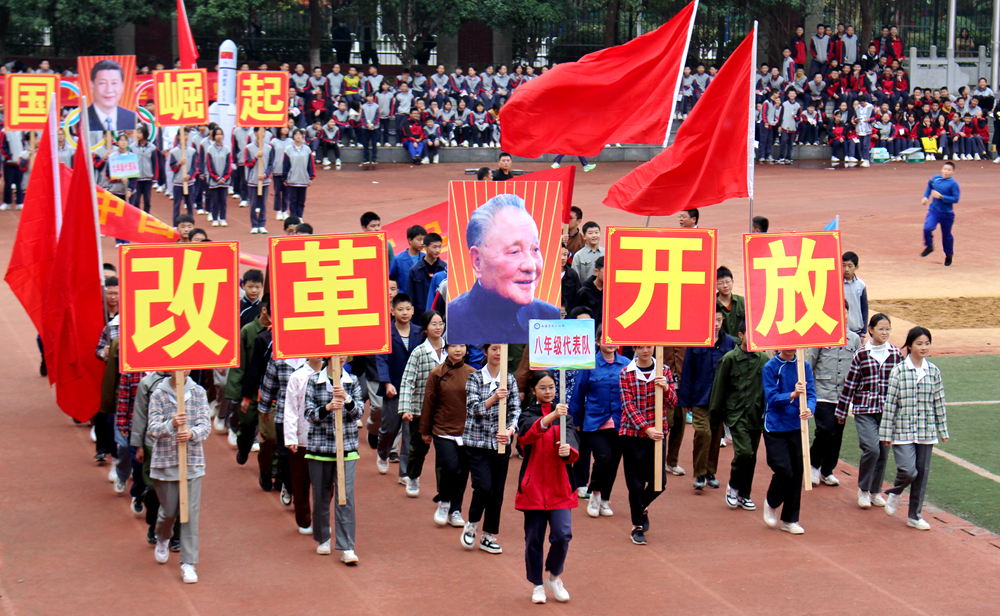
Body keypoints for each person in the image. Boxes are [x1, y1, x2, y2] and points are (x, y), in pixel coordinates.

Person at [446, 194, 560, 345]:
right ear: (477, 261)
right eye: (514, 251)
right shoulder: (451, 320)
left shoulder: (552, 319)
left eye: (535, 249)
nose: (530, 266)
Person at [516, 371, 579, 604]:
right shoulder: (528, 415)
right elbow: (526, 437)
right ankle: (537, 585)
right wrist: (552, 416)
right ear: (533, 390)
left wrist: (569, 452)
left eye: (551, 387)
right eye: (542, 387)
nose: (548, 391)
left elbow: (572, 441)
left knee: (563, 534)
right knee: (533, 539)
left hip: (560, 487)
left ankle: (554, 575)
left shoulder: (566, 418)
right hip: (533, 488)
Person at [879, 326, 948, 530]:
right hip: (903, 429)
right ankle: (896, 491)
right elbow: (890, 404)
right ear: (909, 345)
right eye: (919, 343)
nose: (923, 347)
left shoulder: (933, 371)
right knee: (909, 470)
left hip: (926, 430)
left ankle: (914, 516)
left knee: (922, 473)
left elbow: (939, 402)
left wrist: (942, 430)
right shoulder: (898, 371)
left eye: (927, 343)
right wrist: (886, 433)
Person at [147, 369, 211, 584]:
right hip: (165, 464)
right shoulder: (158, 393)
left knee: (190, 514)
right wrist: (170, 425)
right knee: (170, 511)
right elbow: (153, 429)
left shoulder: (199, 392)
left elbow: (205, 425)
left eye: (186, 367)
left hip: (192, 462)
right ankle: (163, 537)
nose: (182, 371)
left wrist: (192, 433)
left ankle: (188, 563)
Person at [836, 313, 903, 509]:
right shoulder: (862, 354)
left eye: (888, 329)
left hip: (887, 411)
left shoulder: (896, 354)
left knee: (883, 451)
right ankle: (863, 489)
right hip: (865, 408)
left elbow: (901, 383)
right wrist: (841, 411)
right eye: (881, 329)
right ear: (871, 330)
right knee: (871, 449)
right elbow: (851, 383)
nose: (885, 332)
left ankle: (875, 491)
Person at [461, 343, 521, 553]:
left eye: (501, 350)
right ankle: (472, 525)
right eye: (494, 349)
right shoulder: (475, 378)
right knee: (483, 486)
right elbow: (473, 408)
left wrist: (510, 430)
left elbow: (515, 410)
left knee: (497, 491)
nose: (498, 353)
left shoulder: (509, 379)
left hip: (501, 443)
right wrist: (494, 397)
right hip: (477, 442)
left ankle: (489, 535)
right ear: (485, 352)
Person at [304, 356, 363, 564]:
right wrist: (327, 407)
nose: (341, 355)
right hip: (320, 448)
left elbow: (358, 413)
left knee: (345, 497)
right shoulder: (313, 381)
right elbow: (309, 414)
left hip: (346, 448)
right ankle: (323, 537)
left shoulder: (352, 381)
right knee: (321, 495)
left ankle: (347, 546)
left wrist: (347, 399)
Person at [619, 346, 676, 545]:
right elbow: (628, 405)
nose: (645, 350)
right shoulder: (626, 372)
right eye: (641, 346)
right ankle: (637, 526)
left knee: (659, 483)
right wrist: (646, 428)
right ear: (635, 347)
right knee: (635, 483)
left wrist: (667, 388)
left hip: (658, 435)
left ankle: (641, 506)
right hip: (633, 434)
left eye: (649, 346)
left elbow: (673, 402)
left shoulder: (664, 370)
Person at [569, 332, 628, 518]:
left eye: (614, 339)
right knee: (604, 459)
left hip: (620, 422)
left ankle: (605, 499)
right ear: (597, 341)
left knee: (614, 463)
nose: (610, 343)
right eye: (605, 339)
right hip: (595, 421)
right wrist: (575, 420)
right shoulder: (589, 364)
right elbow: (578, 392)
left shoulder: (626, 364)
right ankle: (595, 493)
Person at [678, 305, 736, 491]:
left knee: (715, 435)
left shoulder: (729, 344)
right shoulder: (696, 342)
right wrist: (685, 401)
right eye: (713, 320)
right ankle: (700, 474)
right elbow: (687, 373)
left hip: (720, 400)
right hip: (700, 398)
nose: (716, 324)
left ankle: (710, 472)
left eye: (719, 320)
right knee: (703, 433)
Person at [807, 300, 862, 487]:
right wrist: (808, 389)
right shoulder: (821, 335)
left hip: (843, 395)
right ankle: (813, 465)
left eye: (845, 311)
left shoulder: (854, 339)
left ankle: (827, 470)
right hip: (823, 391)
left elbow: (857, 367)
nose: (842, 315)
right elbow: (811, 362)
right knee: (824, 429)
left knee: (837, 433)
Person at [761, 349, 816, 534]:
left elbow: (811, 393)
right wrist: (791, 395)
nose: (791, 348)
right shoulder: (770, 367)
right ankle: (772, 502)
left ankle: (790, 519)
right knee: (784, 470)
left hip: (797, 426)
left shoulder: (804, 366)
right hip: (775, 426)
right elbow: (771, 397)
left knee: (797, 473)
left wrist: (810, 409)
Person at [420, 342, 475, 527]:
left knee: (462, 471)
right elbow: (429, 403)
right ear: (446, 349)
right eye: (453, 346)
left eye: (462, 346)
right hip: (443, 430)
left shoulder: (473, 374)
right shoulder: (437, 373)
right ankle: (444, 502)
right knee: (450, 467)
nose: (458, 350)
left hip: (467, 431)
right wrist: (425, 431)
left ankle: (456, 510)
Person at [398, 310, 446, 497]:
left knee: (444, 452)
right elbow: (408, 381)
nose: (438, 327)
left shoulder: (451, 350)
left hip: (444, 411)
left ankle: (443, 490)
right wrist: (405, 408)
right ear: (425, 329)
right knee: (419, 448)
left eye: (440, 323)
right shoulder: (418, 352)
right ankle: (413, 477)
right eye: (433, 324)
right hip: (420, 409)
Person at [375, 294, 423, 477]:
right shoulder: (385, 333)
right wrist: (386, 383)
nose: (404, 313)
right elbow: (381, 360)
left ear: (413, 310)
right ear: (392, 311)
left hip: (414, 390)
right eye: (400, 309)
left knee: (410, 434)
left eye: (408, 309)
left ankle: (405, 474)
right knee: (389, 429)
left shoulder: (419, 333)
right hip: (393, 389)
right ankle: (382, 453)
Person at [282, 356, 324, 534]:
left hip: (325, 439)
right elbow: (291, 408)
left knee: (325, 483)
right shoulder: (297, 377)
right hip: (302, 439)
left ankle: (321, 516)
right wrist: (291, 437)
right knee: (300, 481)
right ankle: (304, 520)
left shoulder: (332, 374)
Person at [920, 162, 959, 266]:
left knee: (946, 235)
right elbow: (929, 186)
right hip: (934, 210)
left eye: (949, 170)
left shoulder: (953, 184)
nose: (946, 171)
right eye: (945, 169)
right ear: (942, 170)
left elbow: (956, 199)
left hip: (947, 213)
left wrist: (942, 197)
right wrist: (925, 197)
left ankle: (949, 254)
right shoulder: (935, 179)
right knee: (927, 228)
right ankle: (929, 246)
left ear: (953, 172)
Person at [87, 59, 136, 131]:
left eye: (114, 83)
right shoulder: (82, 118)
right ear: (92, 85)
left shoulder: (131, 117)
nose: (109, 90)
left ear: (122, 86)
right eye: (102, 83)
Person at [406, 232, 446, 316]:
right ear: (425, 247)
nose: (437, 250)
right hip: (419, 317)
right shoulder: (415, 270)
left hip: (440, 317)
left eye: (439, 247)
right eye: (434, 247)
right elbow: (410, 296)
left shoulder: (445, 269)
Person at [244, 130, 275, 234]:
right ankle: (254, 224)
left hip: (264, 180)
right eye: (261, 131)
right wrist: (255, 157)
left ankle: (262, 224)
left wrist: (265, 174)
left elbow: (271, 164)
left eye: (264, 132)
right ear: (256, 133)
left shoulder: (269, 148)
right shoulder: (249, 148)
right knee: (253, 204)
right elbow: (247, 163)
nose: (263, 134)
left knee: (263, 203)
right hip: (253, 180)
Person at [203, 127, 232, 227]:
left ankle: (223, 218)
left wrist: (224, 178)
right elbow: (210, 166)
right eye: (217, 134)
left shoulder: (227, 149)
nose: (219, 136)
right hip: (214, 181)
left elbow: (229, 165)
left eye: (221, 134)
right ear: (213, 136)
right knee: (214, 200)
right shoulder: (210, 149)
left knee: (223, 200)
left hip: (225, 181)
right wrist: (216, 178)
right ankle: (215, 218)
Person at [389, 225, 426, 295]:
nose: (422, 243)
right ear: (410, 240)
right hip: (403, 299)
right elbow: (390, 280)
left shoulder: (426, 258)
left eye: (424, 240)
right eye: (419, 239)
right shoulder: (398, 259)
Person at [842, 251, 869, 338]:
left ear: (856, 267)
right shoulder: (836, 285)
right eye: (843, 265)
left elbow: (864, 308)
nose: (846, 269)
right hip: (842, 330)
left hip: (857, 330)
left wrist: (864, 332)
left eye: (850, 266)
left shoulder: (861, 285)